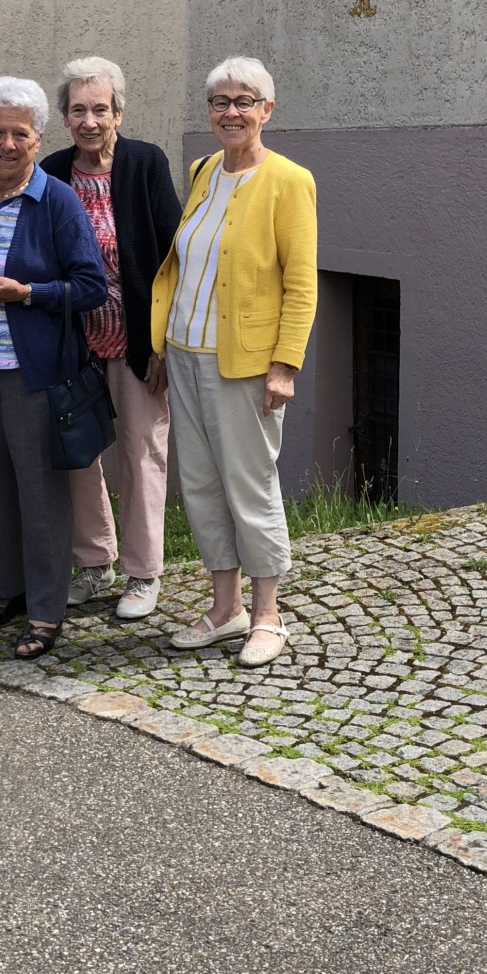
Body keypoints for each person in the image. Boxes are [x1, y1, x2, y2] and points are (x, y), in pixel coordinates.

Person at [150, 56, 317, 668]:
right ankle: (226, 609)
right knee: (199, 484)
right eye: (221, 101)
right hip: (185, 353)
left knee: (250, 484)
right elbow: (187, 266)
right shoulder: (201, 171)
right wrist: (162, 345)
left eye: (245, 101)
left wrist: (285, 366)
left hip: (244, 363)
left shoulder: (289, 181)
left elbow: (301, 284)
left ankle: (269, 615)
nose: (231, 112)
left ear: (267, 110)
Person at [0, 76, 106, 660]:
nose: (7, 144)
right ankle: (5, 591)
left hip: (35, 372)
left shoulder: (55, 200)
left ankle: (45, 612)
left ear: (38, 139)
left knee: (40, 493)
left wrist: (27, 293)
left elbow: (91, 286)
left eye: (20, 133)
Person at [41, 55, 182, 621]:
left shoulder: (145, 164)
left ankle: (143, 574)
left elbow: (174, 255)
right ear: (65, 118)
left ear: (119, 112)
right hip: (74, 342)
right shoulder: (51, 171)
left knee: (142, 452)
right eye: (78, 109)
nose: (90, 120)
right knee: (79, 454)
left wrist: (163, 343)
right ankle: (95, 562)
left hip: (137, 340)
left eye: (101, 108)